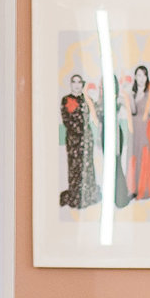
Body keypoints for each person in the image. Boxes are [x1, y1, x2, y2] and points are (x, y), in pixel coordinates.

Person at [58, 72, 100, 211]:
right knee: (74, 167)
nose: (76, 85)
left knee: (87, 166)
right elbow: (67, 120)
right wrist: (79, 131)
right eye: (74, 82)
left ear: (82, 85)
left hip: (87, 140)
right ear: (71, 84)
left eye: (79, 82)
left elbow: (96, 113)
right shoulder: (65, 100)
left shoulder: (86, 99)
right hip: (73, 140)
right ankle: (76, 196)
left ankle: (87, 195)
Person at [120, 64, 150, 207]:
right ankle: (132, 188)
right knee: (133, 156)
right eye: (138, 75)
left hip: (145, 129)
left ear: (147, 77)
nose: (141, 78)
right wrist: (128, 95)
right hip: (134, 129)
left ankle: (143, 189)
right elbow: (133, 111)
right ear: (135, 77)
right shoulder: (131, 94)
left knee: (144, 156)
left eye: (144, 75)